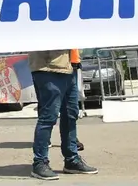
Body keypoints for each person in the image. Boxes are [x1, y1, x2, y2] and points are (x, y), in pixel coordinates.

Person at [28, 50, 97, 180]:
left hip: (70, 66)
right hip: (49, 68)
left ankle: (72, 160)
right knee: (48, 117)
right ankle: (40, 163)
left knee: (71, 114)